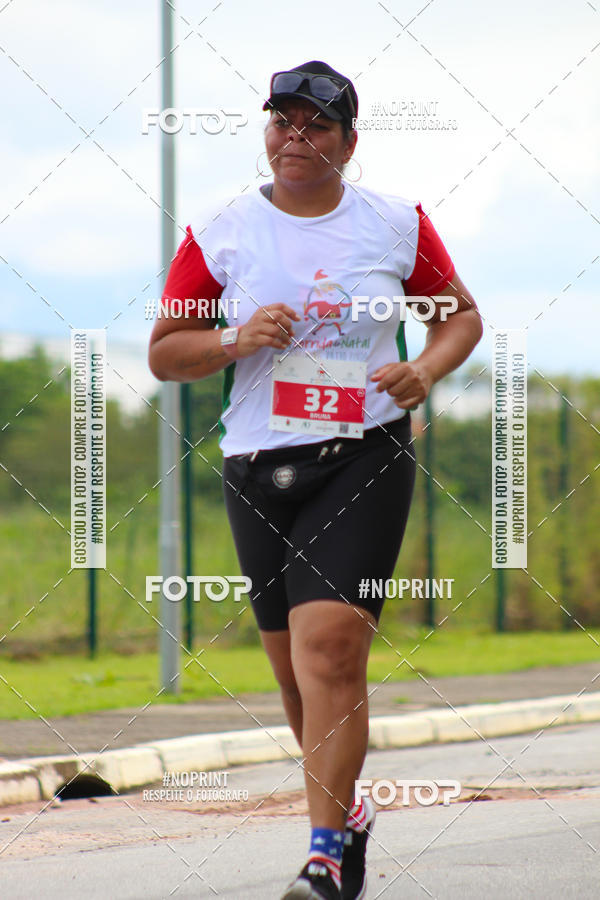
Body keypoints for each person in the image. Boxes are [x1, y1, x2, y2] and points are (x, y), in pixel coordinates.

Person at [148, 60, 482, 900]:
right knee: (296, 675)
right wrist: (234, 340)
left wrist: (428, 370)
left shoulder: (393, 223)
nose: (295, 138)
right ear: (267, 135)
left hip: (363, 453)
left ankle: (324, 854)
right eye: (282, 123)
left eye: (316, 126)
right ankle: (351, 812)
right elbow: (164, 354)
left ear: (348, 142)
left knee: (331, 647)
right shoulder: (221, 231)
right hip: (259, 464)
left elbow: (459, 315)